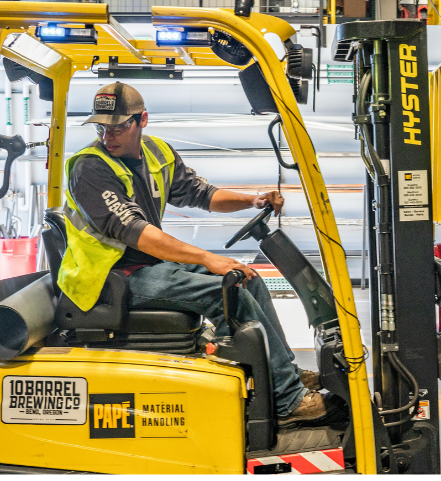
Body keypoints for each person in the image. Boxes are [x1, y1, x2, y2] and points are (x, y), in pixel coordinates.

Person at [58, 82, 325, 426]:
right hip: (108, 281)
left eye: (119, 126)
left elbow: (202, 194)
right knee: (228, 294)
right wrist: (205, 258)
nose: (108, 135)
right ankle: (287, 399)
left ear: (142, 121)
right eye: (102, 126)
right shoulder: (90, 168)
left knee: (248, 279)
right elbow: (135, 231)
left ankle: (282, 373)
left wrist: (251, 199)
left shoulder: (156, 153)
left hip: (144, 266)